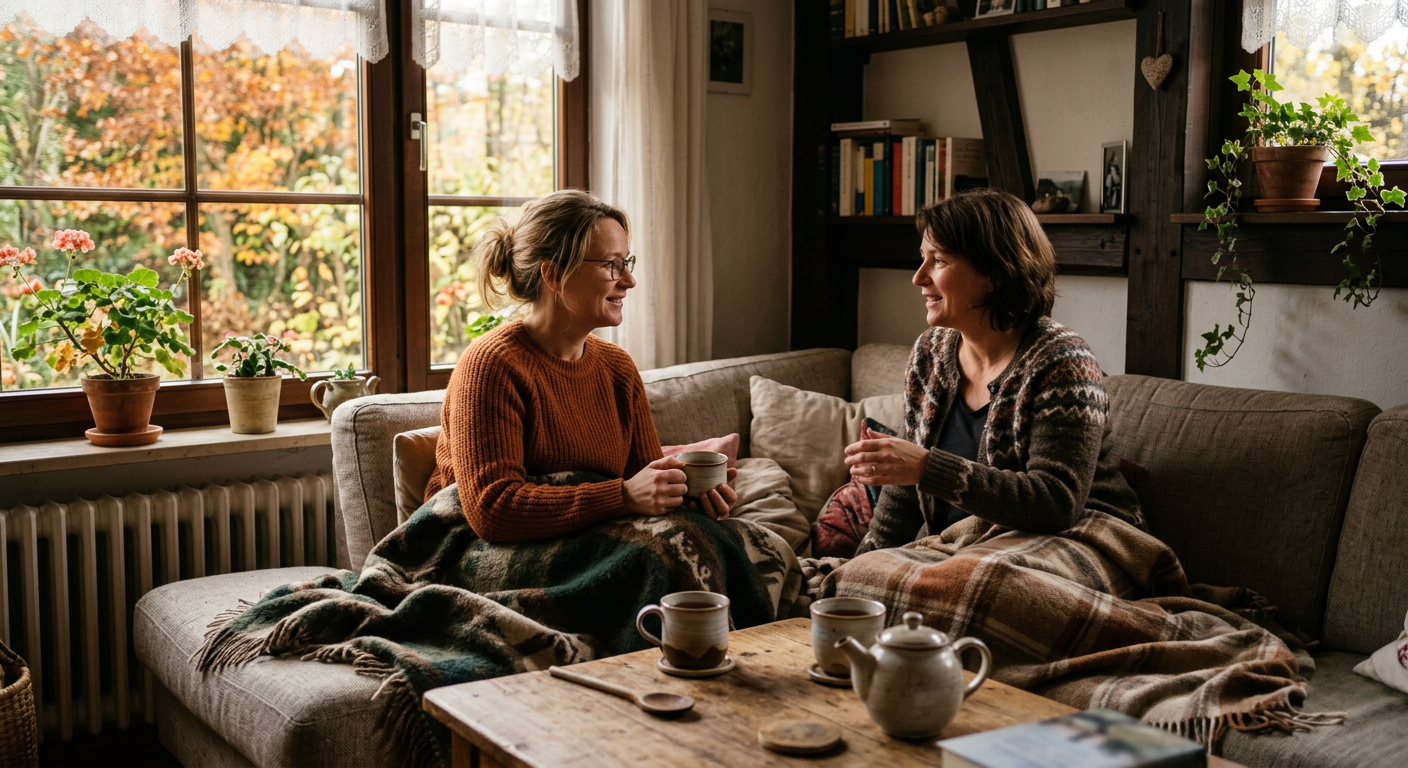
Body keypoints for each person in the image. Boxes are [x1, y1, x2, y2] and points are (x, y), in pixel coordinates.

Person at [424, 189, 737, 542]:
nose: (629, 280)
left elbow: (648, 484)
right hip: (471, 544)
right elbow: (493, 510)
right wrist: (622, 496)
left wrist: (688, 498)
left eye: (627, 263)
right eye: (611, 264)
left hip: (589, 536)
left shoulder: (618, 369)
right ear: (554, 275)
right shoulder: (491, 366)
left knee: (715, 539)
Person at [841, 188, 1143, 552]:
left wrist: (928, 468)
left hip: (1077, 543)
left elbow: (1056, 503)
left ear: (996, 272)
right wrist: (861, 566)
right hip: (964, 549)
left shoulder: (1063, 362)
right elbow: (902, 497)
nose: (918, 278)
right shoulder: (930, 352)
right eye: (923, 259)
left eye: (939, 261)